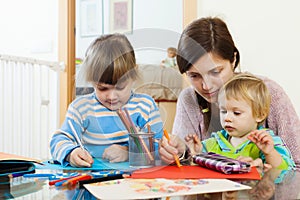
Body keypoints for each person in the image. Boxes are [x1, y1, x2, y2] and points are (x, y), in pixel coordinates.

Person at [159, 16, 300, 168]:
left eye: (215, 72)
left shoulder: (268, 92)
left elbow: (296, 164)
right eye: (194, 75)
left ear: (233, 59)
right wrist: (179, 153)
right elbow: (186, 164)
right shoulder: (189, 99)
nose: (206, 86)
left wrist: (267, 167)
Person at [50, 33, 163, 167]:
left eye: (120, 87)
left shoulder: (145, 106)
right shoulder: (81, 108)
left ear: (133, 75)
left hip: (133, 182)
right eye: (102, 88)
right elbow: (58, 140)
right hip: (92, 180)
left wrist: (128, 152)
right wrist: (71, 154)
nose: (111, 97)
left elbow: (159, 147)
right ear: (92, 81)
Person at [185, 73, 295, 171]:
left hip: (253, 193)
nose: (227, 118)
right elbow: (199, 170)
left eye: (236, 113)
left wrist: (270, 153)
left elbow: (287, 172)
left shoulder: (269, 142)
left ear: (260, 115)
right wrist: (196, 154)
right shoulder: (214, 143)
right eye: (223, 111)